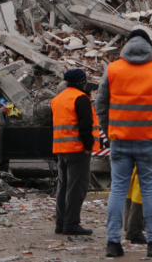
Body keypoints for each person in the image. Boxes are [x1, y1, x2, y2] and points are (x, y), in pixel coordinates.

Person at [95, 29, 152, 258]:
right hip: (151, 142)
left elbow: (100, 105)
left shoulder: (113, 70)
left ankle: (113, 243)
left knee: (118, 190)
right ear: (149, 47)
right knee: (150, 191)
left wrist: (109, 131)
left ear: (127, 44)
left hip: (120, 141)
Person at [48, 68, 99, 235]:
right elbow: (85, 126)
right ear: (82, 83)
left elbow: (53, 125)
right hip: (77, 149)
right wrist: (88, 146)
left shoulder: (57, 99)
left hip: (60, 149)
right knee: (77, 187)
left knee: (63, 186)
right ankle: (72, 224)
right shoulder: (81, 99)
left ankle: (60, 224)